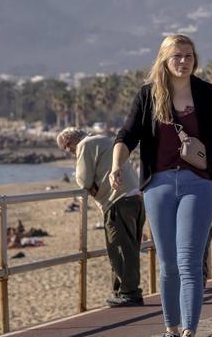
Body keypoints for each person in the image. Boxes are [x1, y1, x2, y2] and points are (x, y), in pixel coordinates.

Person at [113, 34, 212, 337]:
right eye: (177, 56)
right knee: (167, 263)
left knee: (189, 261)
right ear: (165, 60)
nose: (183, 62)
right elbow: (128, 134)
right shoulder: (149, 95)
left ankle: (189, 332)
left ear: (196, 60)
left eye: (189, 56)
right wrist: (117, 164)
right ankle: (171, 329)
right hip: (159, 185)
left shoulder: (208, 94)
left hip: (200, 183)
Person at [57, 127, 145, 307]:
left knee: (119, 248)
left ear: (70, 141)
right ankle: (122, 291)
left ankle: (129, 293)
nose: (69, 152)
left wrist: (91, 186)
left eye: (66, 147)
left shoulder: (85, 145)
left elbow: (83, 179)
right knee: (130, 247)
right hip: (135, 197)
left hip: (117, 200)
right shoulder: (104, 139)